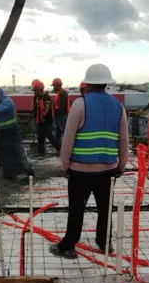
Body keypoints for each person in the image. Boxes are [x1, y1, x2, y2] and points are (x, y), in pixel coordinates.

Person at [50, 64, 129, 260]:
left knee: (77, 209)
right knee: (105, 209)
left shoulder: (80, 104)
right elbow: (124, 139)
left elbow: (68, 138)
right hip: (108, 171)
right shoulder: (118, 106)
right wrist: (121, 165)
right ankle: (104, 242)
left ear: (87, 83)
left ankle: (68, 245)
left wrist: (64, 165)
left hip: (81, 171)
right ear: (106, 83)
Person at [0, 86, 34, 182]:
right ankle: (8, 174)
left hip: (13, 131)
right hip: (3, 132)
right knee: (4, 152)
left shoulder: (7, 103)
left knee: (18, 151)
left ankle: (29, 171)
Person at [31, 79, 61, 156]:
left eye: (35, 90)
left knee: (49, 136)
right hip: (40, 121)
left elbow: (47, 109)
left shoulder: (46, 97)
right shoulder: (37, 98)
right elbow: (35, 109)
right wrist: (33, 117)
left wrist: (43, 117)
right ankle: (41, 153)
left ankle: (60, 149)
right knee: (40, 137)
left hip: (47, 121)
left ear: (39, 89)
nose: (34, 92)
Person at [51, 78, 71, 144]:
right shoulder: (60, 93)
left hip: (62, 116)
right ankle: (59, 146)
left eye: (54, 86)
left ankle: (67, 145)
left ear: (58, 85)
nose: (53, 87)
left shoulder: (62, 93)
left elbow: (61, 106)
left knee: (64, 131)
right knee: (58, 132)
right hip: (60, 116)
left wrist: (57, 114)